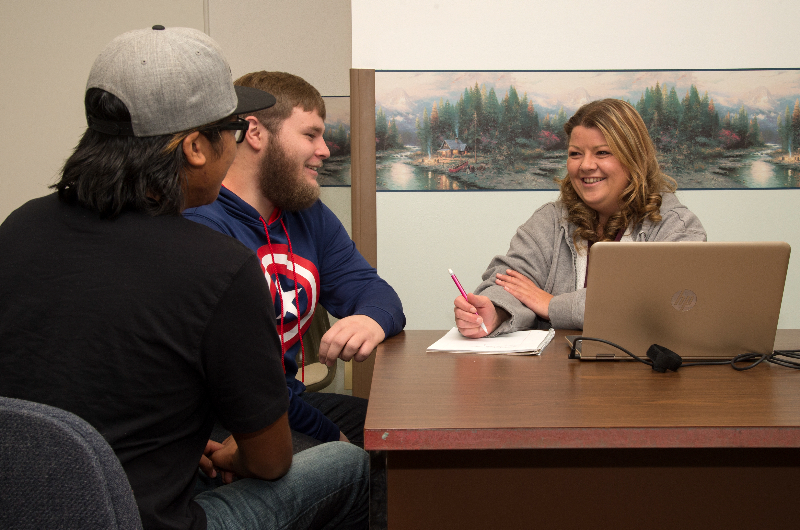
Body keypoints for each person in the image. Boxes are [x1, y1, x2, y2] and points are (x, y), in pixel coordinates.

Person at [0, 26, 367, 530]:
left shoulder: (19, 226)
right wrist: (231, 457)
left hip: (26, 509)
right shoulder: (216, 267)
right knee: (349, 464)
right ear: (195, 147)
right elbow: (269, 461)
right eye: (233, 133)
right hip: (150, 520)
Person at [184, 71, 405, 450]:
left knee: (396, 439)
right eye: (310, 134)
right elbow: (243, 386)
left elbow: (376, 293)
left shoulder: (308, 214)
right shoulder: (199, 225)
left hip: (286, 402)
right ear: (254, 132)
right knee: (356, 466)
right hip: (220, 421)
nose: (325, 149)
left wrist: (370, 319)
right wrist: (331, 438)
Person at [454, 98, 707, 337]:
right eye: (575, 153)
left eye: (602, 153)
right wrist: (495, 312)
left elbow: (657, 306)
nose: (585, 165)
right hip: (557, 376)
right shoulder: (550, 221)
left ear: (634, 159)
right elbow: (509, 280)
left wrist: (552, 305)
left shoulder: (677, 226)